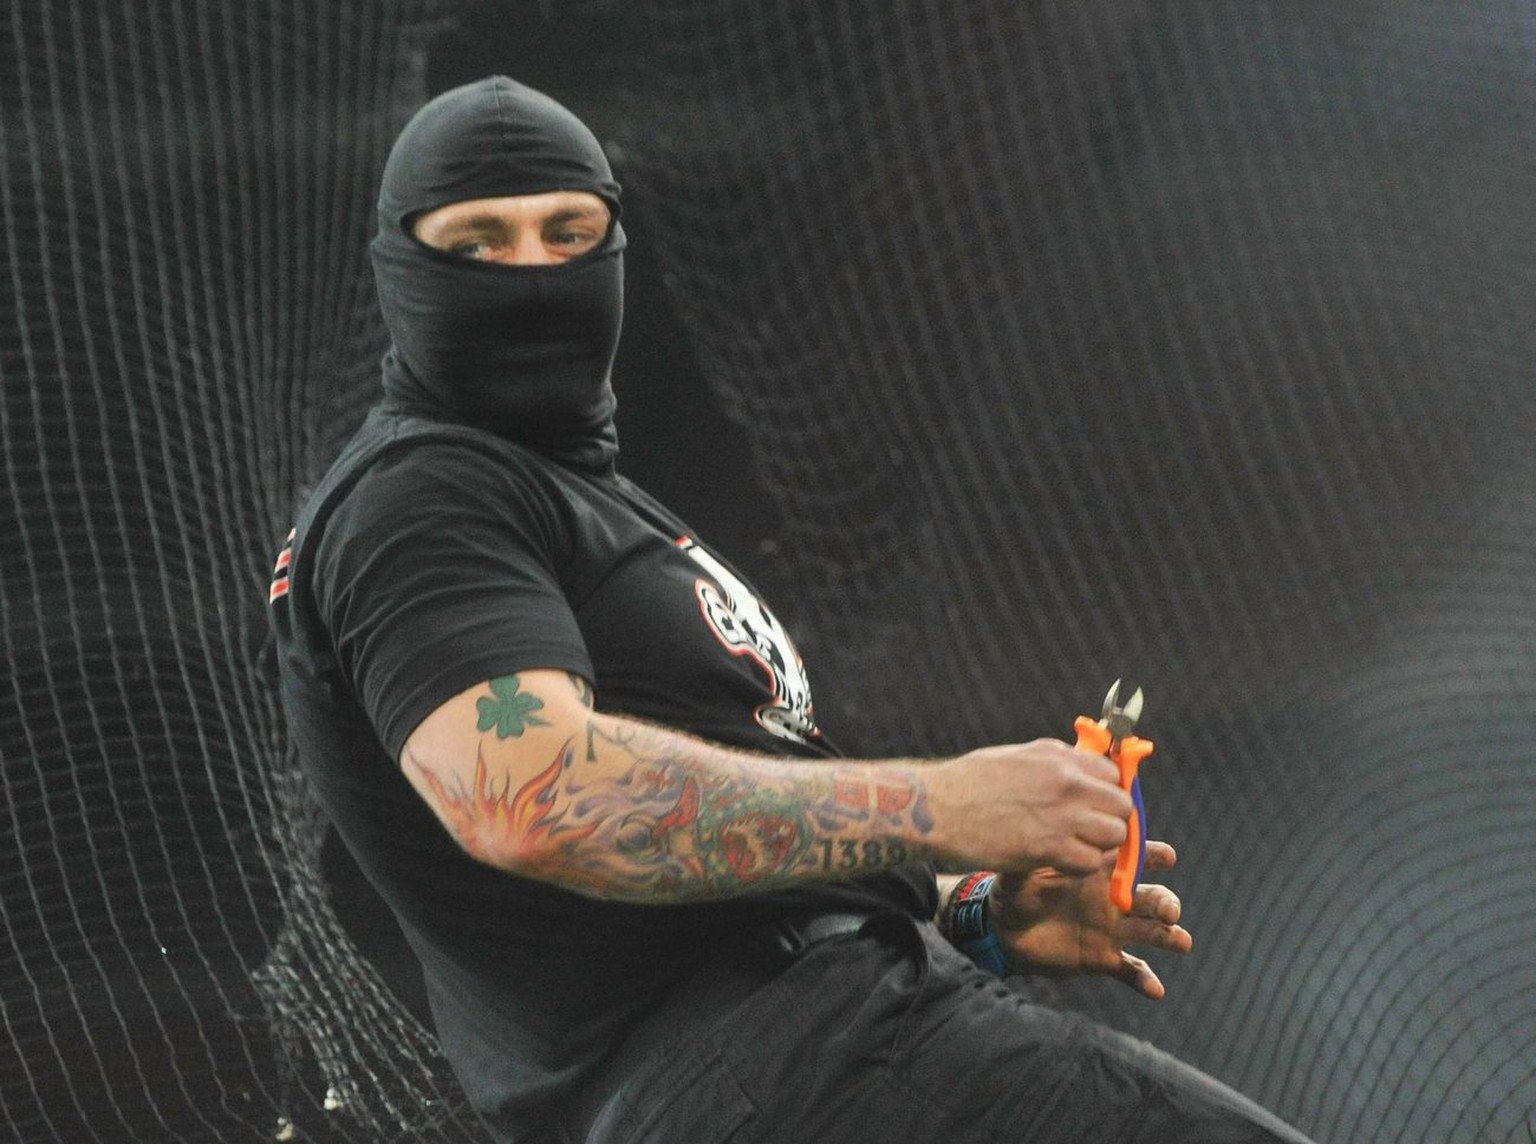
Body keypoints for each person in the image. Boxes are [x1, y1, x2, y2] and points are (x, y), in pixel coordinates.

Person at [270, 76, 1314, 1144]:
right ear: (400, 267)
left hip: (821, 1050)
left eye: (569, 232)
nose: (535, 274)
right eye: (479, 243)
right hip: (787, 1063)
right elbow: (530, 797)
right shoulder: (419, 497)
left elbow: (744, 861)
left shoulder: (587, 503)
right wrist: (940, 802)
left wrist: (973, 911)